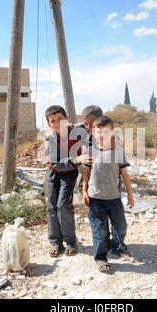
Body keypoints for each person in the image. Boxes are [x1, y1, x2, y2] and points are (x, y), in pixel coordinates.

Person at [82, 115, 135, 273]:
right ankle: (101, 258)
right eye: (98, 132)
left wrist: (130, 195)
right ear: (93, 133)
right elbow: (86, 173)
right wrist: (84, 191)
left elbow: (125, 174)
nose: (101, 135)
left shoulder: (118, 152)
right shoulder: (90, 152)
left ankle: (118, 245)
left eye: (106, 131)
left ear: (112, 132)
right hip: (96, 198)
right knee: (100, 229)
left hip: (114, 198)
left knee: (121, 227)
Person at [44, 105, 92, 257]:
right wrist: (77, 159)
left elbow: (90, 126)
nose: (57, 123)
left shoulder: (78, 131)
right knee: (51, 206)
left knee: (63, 205)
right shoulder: (50, 139)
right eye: (53, 121)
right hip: (53, 173)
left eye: (60, 119)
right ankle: (55, 242)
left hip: (69, 174)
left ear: (67, 119)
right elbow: (55, 163)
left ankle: (70, 241)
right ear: (49, 124)